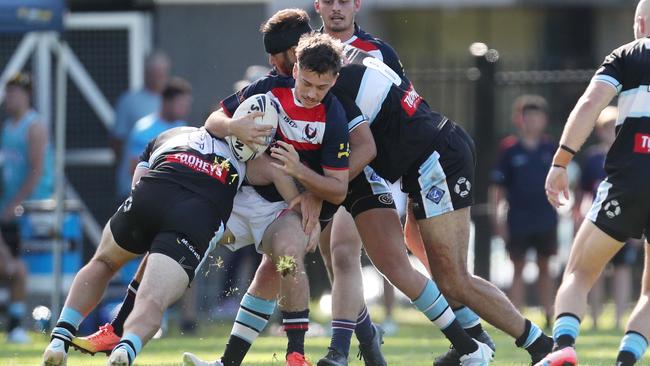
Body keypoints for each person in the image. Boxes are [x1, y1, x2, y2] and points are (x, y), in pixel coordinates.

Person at [184, 9, 494, 366]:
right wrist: (236, 128)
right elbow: (216, 119)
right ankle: (279, 356)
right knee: (279, 261)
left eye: (277, 54)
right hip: (317, 186)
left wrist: (314, 187)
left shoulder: (343, 88)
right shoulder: (275, 86)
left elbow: (368, 147)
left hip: (359, 180)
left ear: (300, 55)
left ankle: (468, 345)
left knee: (377, 261)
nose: (272, 62)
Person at [313, 1, 495, 365]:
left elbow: (406, 110)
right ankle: (375, 338)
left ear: (357, 5)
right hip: (334, 170)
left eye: (344, 1)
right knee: (338, 254)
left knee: (350, 251)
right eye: (329, 1)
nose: (336, 9)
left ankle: (339, 352)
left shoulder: (378, 51)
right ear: (317, 5)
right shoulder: (309, 54)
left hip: (374, 171)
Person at [40, 115, 303, 366]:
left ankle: (60, 337)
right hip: (195, 217)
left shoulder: (171, 134)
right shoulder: (248, 156)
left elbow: (138, 184)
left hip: (153, 193)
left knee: (104, 261)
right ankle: (127, 346)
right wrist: (305, 210)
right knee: (153, 299)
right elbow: (285, 188)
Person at [538, 1, 650, 365]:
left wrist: (561, 160)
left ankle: (563, 349)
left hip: (630, 180)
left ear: (640, 23)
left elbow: (590, 104)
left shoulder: (628, 54)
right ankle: (625, 361)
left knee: (579, 273)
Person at [489, 95, 558, 327]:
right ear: (520, 119)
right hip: (518, 218)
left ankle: (550, 313)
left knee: (545, 265)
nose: (532, 121)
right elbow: (497, 187)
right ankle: (516, 317)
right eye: (528, 116)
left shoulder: (551, 148)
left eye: (537, 116)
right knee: (517, 266)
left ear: (544, 120)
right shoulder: (509, 149)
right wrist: (497, 219)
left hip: (545, 217)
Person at [0, 72, 54, 344]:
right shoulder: (7, 126)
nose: (9, 98)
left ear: (26, 95)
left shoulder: (34, 126)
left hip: (29, 210)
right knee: (10, 267)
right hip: (8, 209)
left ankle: (16, 323)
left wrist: (16, 203)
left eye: (14, 93)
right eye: (7, 93)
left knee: (18, 268)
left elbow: (36, 170)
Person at [577, 106, 640, 330]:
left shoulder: (632, 156)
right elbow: (584, 193)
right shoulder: (592, 159)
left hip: (626, 221)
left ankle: (618, 320)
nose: (611, 132)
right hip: (598, 221)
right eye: (607, 128)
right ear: (599, 131)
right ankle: (594, 319)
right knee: (595, 268)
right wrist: (580, 217)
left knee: (622, 270)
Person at [112, 51, 170, 200]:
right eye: (154, 73)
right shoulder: (129, 101)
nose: (158, 77)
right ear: (145, 73)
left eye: (162, 73)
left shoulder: (171, 101)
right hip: (132, 183)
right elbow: (117, 140)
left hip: (164, 185)